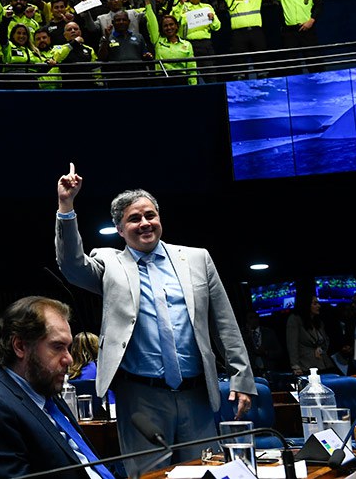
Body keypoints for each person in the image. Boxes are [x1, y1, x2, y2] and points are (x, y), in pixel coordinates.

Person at [55, 164, 254, 473]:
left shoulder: (197, 259)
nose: (145, 223)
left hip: (197, 394)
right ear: (120, 230)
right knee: (148, 475)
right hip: (141, 397)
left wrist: (242, 376)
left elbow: (224, 323)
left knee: (204, 472)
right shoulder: (109, 263)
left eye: (150, 215)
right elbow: (71, 265)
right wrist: (66, 206)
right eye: (134, 219)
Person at [0, 296, 115, 479]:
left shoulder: (42, 386)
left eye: (68, 348)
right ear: (20, 346)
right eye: (57, 347)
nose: (69, 359)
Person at [286, 283, 335, 375]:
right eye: (315, 303)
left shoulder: (318, 321)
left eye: (318, 303)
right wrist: (295, 366)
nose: (318, 306)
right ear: (306, 304)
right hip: (306, 366)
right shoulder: (295, 319)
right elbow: (292, 345)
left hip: (324, 364)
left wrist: (321, 349)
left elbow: (326, 341)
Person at [242, 311, 283, 376]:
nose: (253, 320)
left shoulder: (269, 333)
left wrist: (266, 352)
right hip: (251, 371)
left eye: (255, 317)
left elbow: (279, 352)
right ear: (247, 321)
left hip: (269, 369)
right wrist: (248, 335)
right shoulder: (243, 335)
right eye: (251, 318)